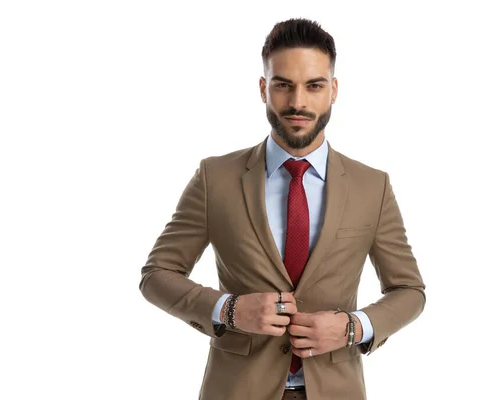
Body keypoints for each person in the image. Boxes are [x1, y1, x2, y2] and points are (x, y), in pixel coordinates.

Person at [139, 17, 426, 400]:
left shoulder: (372, 187)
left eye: (314, 86)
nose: (298, 103)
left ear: (334, 90)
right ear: (263, 88)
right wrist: (229, 309)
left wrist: (353, 327)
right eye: (283, 85)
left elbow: (409, 289)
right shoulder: (215, 178)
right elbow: (157, 274)